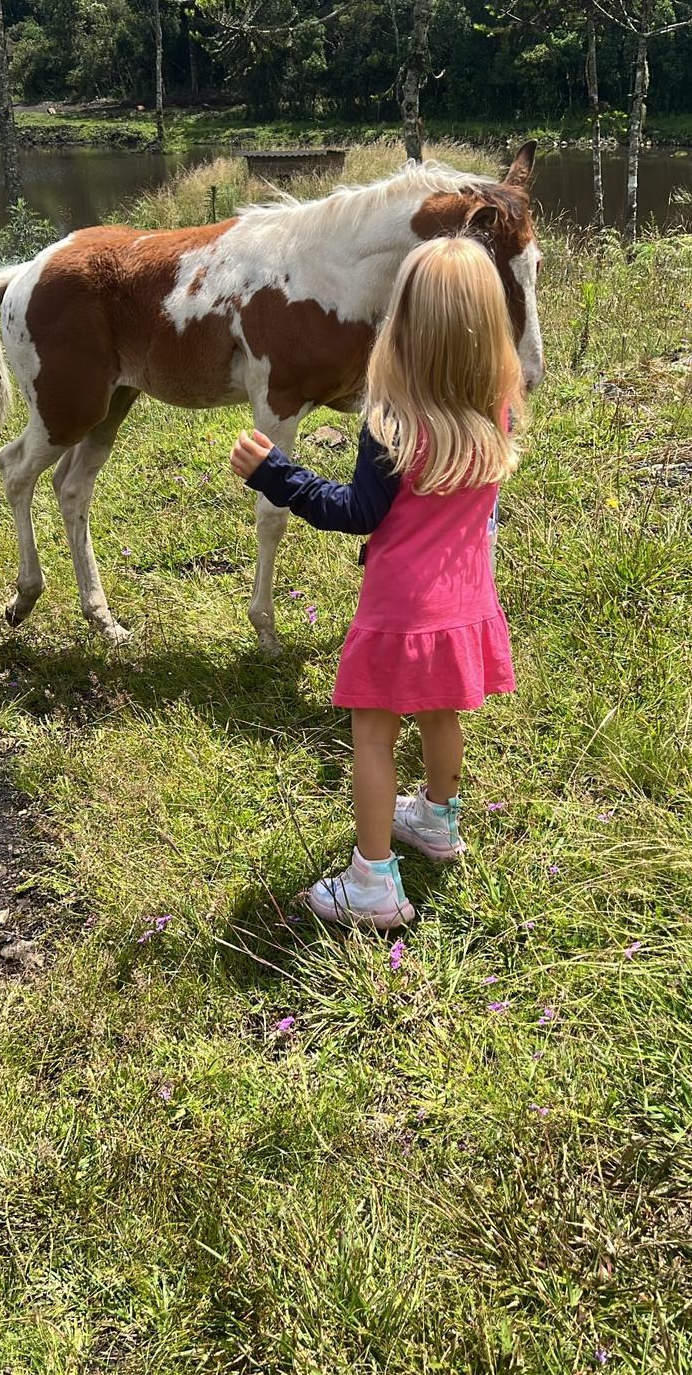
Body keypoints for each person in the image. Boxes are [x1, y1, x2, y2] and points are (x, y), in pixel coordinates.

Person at [230, 235, 527, 929]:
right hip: (465, 600)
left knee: (372, 734)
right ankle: (438, 820)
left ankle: (372, 882)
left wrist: (277, 473)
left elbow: (356, 511)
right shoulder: (500, 409)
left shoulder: (393, 421)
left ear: (404, 326)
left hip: (399, 609)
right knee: (441, 712)